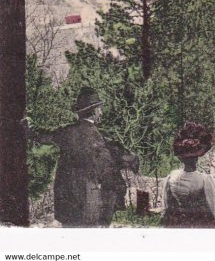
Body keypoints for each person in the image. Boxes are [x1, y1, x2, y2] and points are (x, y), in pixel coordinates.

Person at [23, 87, 138, 227]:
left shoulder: (66, 131)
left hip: (65, 205)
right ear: (94, 111)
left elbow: (42, 136)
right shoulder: (97, 138)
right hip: (88, 207)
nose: (101, 112)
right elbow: (107, 173)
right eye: (100, 109)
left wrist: (28, 125)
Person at [162, 122, 215, 228]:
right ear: (197, 159)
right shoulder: (204, 179)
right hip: (199, 221)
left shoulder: (172, 176)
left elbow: (167, 203)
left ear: (181, 159)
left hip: (177, 221)